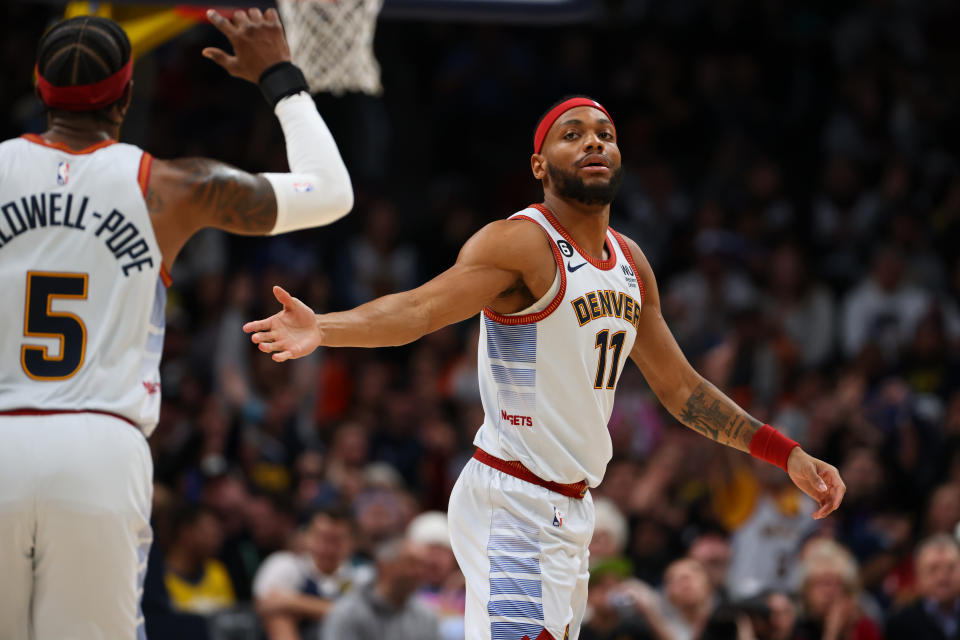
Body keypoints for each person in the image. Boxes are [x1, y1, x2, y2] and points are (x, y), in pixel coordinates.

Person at [244, 95, 846, 639]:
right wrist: (324, 327)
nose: (593, 142)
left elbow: (683, 389)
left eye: (605, 134)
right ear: (539, 165)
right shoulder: (521, 243)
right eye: (573, 134)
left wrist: (783, 451)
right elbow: (421, 309)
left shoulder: (630, 262)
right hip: (512, 498)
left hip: (571, 508)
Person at [0, 9, 353, 638]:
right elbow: (331, 192)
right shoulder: (172, 185)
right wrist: (281, 77)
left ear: (37, 86)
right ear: (128, 94)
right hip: (99, 447)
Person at [253, 507, 369, 639]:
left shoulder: (362, 574)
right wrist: (337, 611)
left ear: (351, 543)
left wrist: (291, 602)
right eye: (322, 538)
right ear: (307, 537)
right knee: (278, 616)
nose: (328, 548)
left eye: (336, 540)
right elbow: (266, 604)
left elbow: (368, 617)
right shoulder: (285, 564)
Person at [321, 536, 441, 640]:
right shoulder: (348, 613)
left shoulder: (425, 617)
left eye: (422, 565)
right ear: (383, 565)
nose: (418, 572)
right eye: (411, 564)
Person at [886, 534, 960, 640]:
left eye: (951, 568)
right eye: (933, 569)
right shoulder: (900, 623)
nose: (942, 577)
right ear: (918, 576)